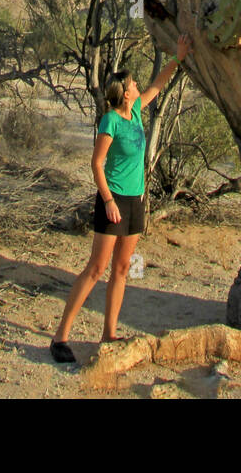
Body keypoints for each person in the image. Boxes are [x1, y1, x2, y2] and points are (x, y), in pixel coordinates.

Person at [49, 32, 193, 363]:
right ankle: (60, 337)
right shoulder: (111, 119)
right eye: (133, 83)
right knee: (96, 267)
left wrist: (178, 56)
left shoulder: (137, 112)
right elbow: (96, 163)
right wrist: (109, 201)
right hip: (112, 201)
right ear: (125, 91)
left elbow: (159, 84)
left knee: (123, 267)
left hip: (135, 200)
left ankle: (109, 333)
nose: (138, 84)